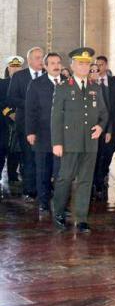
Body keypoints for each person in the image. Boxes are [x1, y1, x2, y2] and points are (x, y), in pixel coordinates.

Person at [52, 48, 109, 232]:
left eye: (87, 63)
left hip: (90, 142)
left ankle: (82, 218)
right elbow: (56, 117)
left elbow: (104, 113)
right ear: (72, 65)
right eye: (81, 63)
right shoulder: (63, 87)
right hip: (69, 141)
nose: (85, 67)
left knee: (86, 180)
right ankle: (59, 212)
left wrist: (100, 127)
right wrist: (57, 143)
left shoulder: (95, 87)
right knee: (65, 178)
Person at [25, 52, 62, 213]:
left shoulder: (68, 83)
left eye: (58, 62)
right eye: (52, 63)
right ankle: (44, 202)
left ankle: (61, 204)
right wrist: (30, 132)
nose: (56, 66)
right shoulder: (36, 84)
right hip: (42, 134)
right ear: (45, 66)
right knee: (43, 171)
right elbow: (30, 110)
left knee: (62, 173)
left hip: (63, 136)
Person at [7, 46, 45, 199]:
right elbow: (11, 98)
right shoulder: (19, 76)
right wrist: (30, 104)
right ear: (29, 60)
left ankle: (44, 188)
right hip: (25, 124)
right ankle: (30, 190)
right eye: (37, 58)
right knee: (29, 158)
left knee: (44, 158)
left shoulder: (48, 75)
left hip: (45, 125)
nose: (41, 60)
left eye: (42, 57)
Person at [92, 56, 115, 196]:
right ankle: (96, 182)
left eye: (101, 64)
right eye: (96, 65)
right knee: (96, 155)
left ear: (106, 65)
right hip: (95, 126)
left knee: (108, 153)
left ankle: (102, 175)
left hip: (112, 125)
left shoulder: (114, 82)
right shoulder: (91, 82)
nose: (99, 67)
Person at [0, 56, 24, 184]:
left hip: (20, 121)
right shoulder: (2, 83)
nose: (15, 69)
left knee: (17, 150)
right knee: (2, 149)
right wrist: (9, 113)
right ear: (8, 68)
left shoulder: (27, 83)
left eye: (18, 67)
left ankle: (13, 176)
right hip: (4, 123)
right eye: (13, 66)